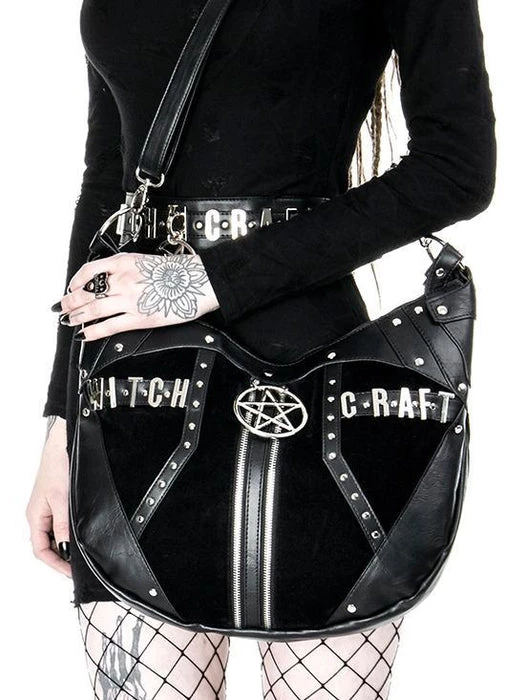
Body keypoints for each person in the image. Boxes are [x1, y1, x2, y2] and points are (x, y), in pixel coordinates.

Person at [26, 0, 496, 697]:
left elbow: (455, 168)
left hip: (311, 387)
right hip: (131, 389)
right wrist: (62, 421)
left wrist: (203, 281)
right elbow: (108, 184)